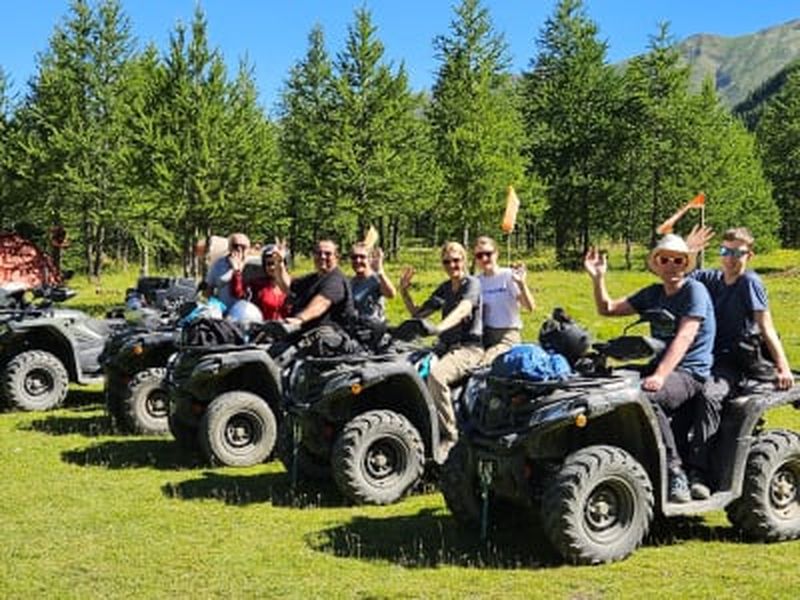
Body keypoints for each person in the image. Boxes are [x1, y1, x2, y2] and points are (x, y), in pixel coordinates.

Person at [584, 234, 715, 503]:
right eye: (665, 259)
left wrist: (659, 376)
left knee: (645, 398)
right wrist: (598, 279)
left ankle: (674, 471)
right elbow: (607, 309)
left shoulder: (694, 291)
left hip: (690, 372)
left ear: (686, 263)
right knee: (609, 385)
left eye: (678, 260)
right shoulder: (653, 293)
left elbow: (685, 337)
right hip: (659, 367)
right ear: (656, 263)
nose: (672, 265)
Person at [681, 226, 794, 490]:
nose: (731, 258)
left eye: (738, 253)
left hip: (734, 362)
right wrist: (689, 250)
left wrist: (783, 367)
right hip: (705, 357)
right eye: (726, 251)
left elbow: (765, 326)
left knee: (710, 395)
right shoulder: (712, 278)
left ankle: (699, 472)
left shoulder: (749, 283)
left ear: (749, 255)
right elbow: (681, 276)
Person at [399, 242, 483, 453]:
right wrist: (404, 292)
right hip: (444, 346)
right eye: (447, 261)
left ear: (464, 260)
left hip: (468, 348)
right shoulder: (446, 288)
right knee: (409, 369)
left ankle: (450, 437)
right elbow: (419, 314)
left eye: (456, 260)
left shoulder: (471, 284)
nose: (452, 265)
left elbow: (464, 309)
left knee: (437, 376)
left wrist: (439, 328)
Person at [473, 236, 535, 365]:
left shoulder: (508, 276)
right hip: (484, 336)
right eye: (479, 255)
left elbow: (530, 307)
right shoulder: (477, 281)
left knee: (483, 364)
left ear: (496, 254)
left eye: (488, 254)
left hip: (507, 337)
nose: (484, 259)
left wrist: (522, 284)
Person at [274, 239, 354, 331]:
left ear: (336, 257)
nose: (322, 257)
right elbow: (287, 286)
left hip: (328, 339)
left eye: (328, 253)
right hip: (307, 335)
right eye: (318, 253)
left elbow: (321, 303)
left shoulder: (336, 280)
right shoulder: (313, 278)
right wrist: (279, 262)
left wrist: (299, 319)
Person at [230, 243, 289, 321]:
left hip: (288, 329)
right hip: (263, 328)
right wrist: (237, 273)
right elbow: (239, 294)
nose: (273, 267)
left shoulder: (294, 285)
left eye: (276, 263)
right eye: (269, 264)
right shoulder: (258, 284)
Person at [349, 242, 396, 322]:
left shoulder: (376, 279)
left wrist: (380, 272)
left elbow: (391, 294)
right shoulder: (350, 282)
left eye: (362, 257)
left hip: (373, 327)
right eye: (354, 257)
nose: (358, 260)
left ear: (369, 259)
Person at [203, 233, 250, 310]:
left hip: (246, 314)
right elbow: (208, 288)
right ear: (229, 247)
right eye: (235, 246)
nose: (239, 249)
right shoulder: (218, 264)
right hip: (224, 312)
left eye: (243, 246)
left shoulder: (252, 265)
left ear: (248, 248)